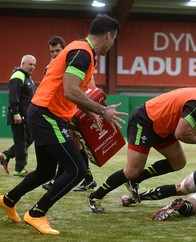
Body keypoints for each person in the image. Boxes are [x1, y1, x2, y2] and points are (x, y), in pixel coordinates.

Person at [0, 14, 127, 235]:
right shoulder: (82, 53)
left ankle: (8, 200)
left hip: (44, 114)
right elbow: (71, 90)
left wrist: (89, 111)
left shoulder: (81, 49)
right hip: (47, 116)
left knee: (46, 171)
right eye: (114, 39)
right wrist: (102, 110)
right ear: (108, 35)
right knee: (76, 169)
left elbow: (70, 91)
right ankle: (37, 213)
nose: (113, 44)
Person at [88, 83, 196, 214]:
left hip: (160, 127)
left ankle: (136, 180)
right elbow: (180, 133)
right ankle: (95, 197)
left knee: (178, 162)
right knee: (132, 171)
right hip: (144, 121)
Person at [41, 36, 98, 192]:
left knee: (72, 144)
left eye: (58, 50)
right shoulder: (51, 66)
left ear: (64, 49)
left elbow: (90, 90)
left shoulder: (78, 63)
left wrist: (87, 110)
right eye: (52, 51)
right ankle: (87, 178)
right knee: (70, 145)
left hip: (73, 109)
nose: (54, 54)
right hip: (58, 110)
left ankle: (76, 178)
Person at [0, 55, 36, 176]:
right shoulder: (18, 76)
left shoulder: (27, 77)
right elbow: (13, 97)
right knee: (21, 141)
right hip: (18, 116)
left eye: (34, 65)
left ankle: (6, 155)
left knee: (29, 138)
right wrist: (16, 113)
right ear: (23, 63)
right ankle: (19, 168)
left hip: (26, 116)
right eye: (30, 64)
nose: (32, 67)